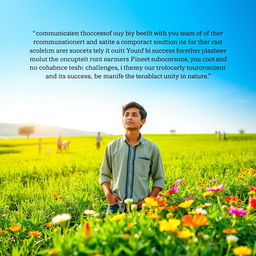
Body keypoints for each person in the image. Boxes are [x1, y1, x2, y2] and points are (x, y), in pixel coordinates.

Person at [99, 102, 165, 214]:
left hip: (142, 207)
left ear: (143, 121)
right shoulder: (112, 146)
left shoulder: (152, 148)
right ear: (122, 120)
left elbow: (159, 178)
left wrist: (150, 199)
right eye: (126, 115)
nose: (129, 118)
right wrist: (108, 194)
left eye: (134, 115)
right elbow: (104, 174)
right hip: (116, 205)